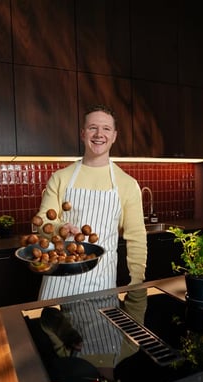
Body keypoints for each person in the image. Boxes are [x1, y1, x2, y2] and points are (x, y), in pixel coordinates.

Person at [35, 104, 147, 302]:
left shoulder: (127, 184)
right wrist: (61, 228)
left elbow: (136, 238)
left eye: (106, 129)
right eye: (92, 127)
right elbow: (42, 222)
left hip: (101, 283)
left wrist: (137, 287)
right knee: (51, 332)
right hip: (58, 281)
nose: (99, 134)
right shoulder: (60, 178)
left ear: (114, 136)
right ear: (82, 133)